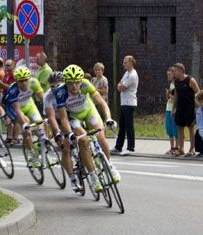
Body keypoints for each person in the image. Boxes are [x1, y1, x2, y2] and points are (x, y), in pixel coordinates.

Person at [52, 64, 118, 193]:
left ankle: (109, 167)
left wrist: (108, 118)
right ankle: (93, 176)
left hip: (88, 112)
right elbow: (64, 118)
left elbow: (101, 103)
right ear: (66, 83)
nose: (74, 86)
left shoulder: (86, 84)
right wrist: (70, 133)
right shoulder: (61, 93)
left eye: (77, 82)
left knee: (101, 136)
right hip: (74, 118)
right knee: (84, 141)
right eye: (71, 83)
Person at [42, 71, 82, 192]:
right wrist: (57, 132)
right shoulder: (48, 97)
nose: (55, 88)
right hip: (57, 122)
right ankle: (72, 179)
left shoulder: (67, 92)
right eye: (52, 85)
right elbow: (51, 118)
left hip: (70, 118)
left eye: (58, 84)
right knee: (65, 149)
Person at [2, 65, 45, 169]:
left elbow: (44, 100)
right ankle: (31, 154)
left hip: (29, 104)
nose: (24, 83)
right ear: (16, 81)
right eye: (20, 81)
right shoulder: (13, 90)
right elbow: (17, 110)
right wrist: (25, 125)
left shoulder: (34, 83)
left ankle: (41, 148)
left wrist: (50, 115)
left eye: (26, 80)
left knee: (40, 125)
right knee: (27, 129)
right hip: (14, 109)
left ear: (29, 78)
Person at [171, 62, 200, 157]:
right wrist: (173, 109)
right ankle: (181, 149)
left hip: (190, 108)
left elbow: (198, 93)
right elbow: (176, 95)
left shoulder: (190, 80)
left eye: (175, 71)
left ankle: (192, 149)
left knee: (191, 129)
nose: (173, 73)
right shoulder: (176, 81)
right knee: (180, 128)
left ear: (180, 71)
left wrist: (197, 107)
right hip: (180, 108)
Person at [114, 55, 138, 155]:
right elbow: (119, 84)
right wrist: (119, 85)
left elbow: (121, 87)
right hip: (124, 103)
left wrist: (120, 86)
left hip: (129, 103)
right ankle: (118, 147)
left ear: (131, 63)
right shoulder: (126, 73)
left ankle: (130, 148)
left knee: (129, 126)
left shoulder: (132, 75)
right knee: (122, 126)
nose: (123, 64)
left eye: (125, 62)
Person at [164, 67, 178, 156]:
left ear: (174, 74)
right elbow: (169, 98)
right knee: (169, 129)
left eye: (169, 74)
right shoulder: (171, 84)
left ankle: (177, 147)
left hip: (174, 109)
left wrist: (170, 95)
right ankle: (172, 147)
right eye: (167, 75)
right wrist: (167, 95)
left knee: (175, 129)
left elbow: (176, 99)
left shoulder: (176, 85)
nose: (168, 76)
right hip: (168, 108)